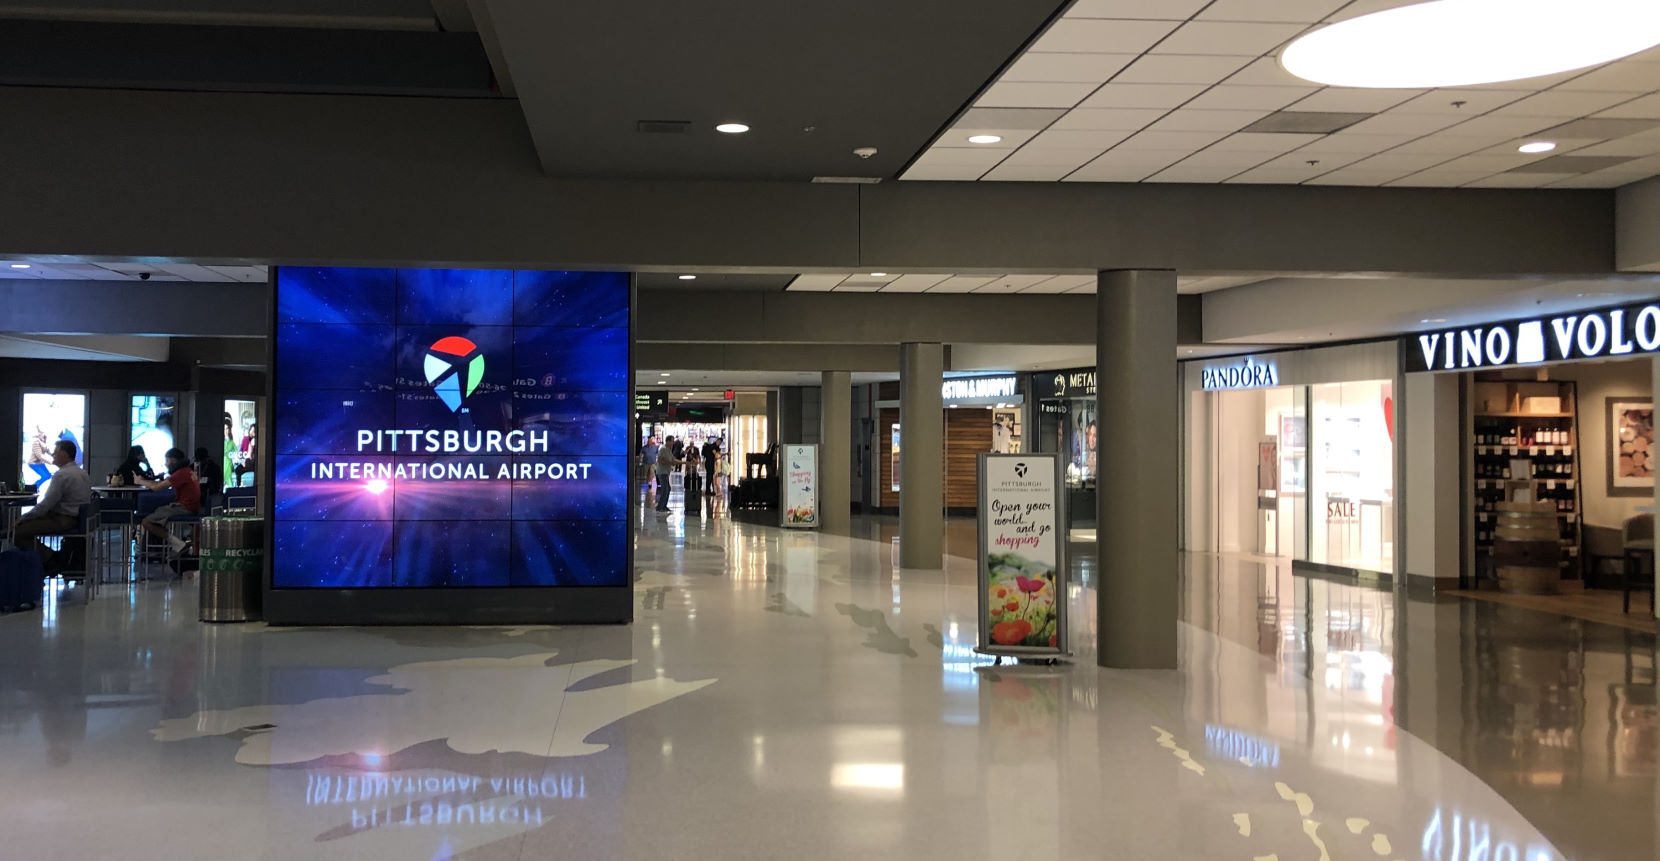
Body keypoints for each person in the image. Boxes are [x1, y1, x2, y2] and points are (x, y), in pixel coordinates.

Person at [9, 440, 91, 564]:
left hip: (63, 519)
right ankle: (48, 560)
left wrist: (25, 517)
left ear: (64, 454)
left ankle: (52, 559)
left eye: (55, 453)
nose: (52, 455)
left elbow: (46, 504)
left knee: (16, 533)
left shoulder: (61, 475)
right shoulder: (83, 473)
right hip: (79, 518)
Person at [134, 448, 201, 556]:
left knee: (146, 522)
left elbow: (156, 487)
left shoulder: (181, 473)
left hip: (183, 507)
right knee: (158, 514)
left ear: (173, 461)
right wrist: (145, 481)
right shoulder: (187, 471)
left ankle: (178, 544)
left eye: (167, 461)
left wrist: (139, 481)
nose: (165, 464)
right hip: (191, 506)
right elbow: (161, 483)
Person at [654, 436, 680, 512]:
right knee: (665, 490)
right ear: (668, 441)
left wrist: (685, 462)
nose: (673, 443)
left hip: (666, 472)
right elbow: (660, 460)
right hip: (662, 472)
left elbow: (673, 460)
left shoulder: (668, 450)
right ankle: (660, 507)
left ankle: (663, 506)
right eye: (672, 441)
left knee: (668, 489)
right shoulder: (662, 449)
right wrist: (670, 462)